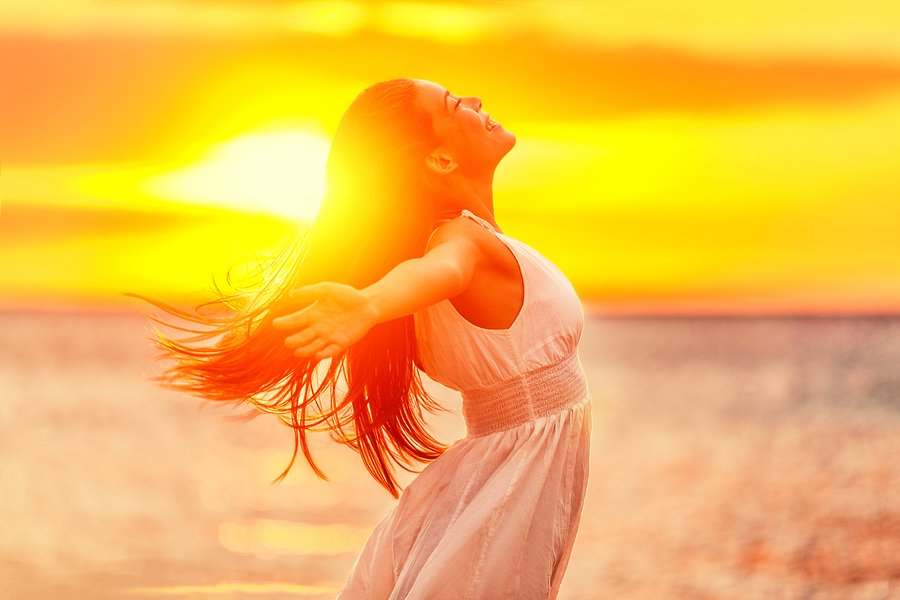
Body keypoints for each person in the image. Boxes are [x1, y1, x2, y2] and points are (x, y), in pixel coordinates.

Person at [144, 78, 591, 599]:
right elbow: (442, 269)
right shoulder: (460, 242)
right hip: (506, 490)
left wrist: (372, 303)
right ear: (441, 160)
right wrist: (371, 304)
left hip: (497, 482)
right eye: (453, 105)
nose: (473, 101)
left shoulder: (460, 243)